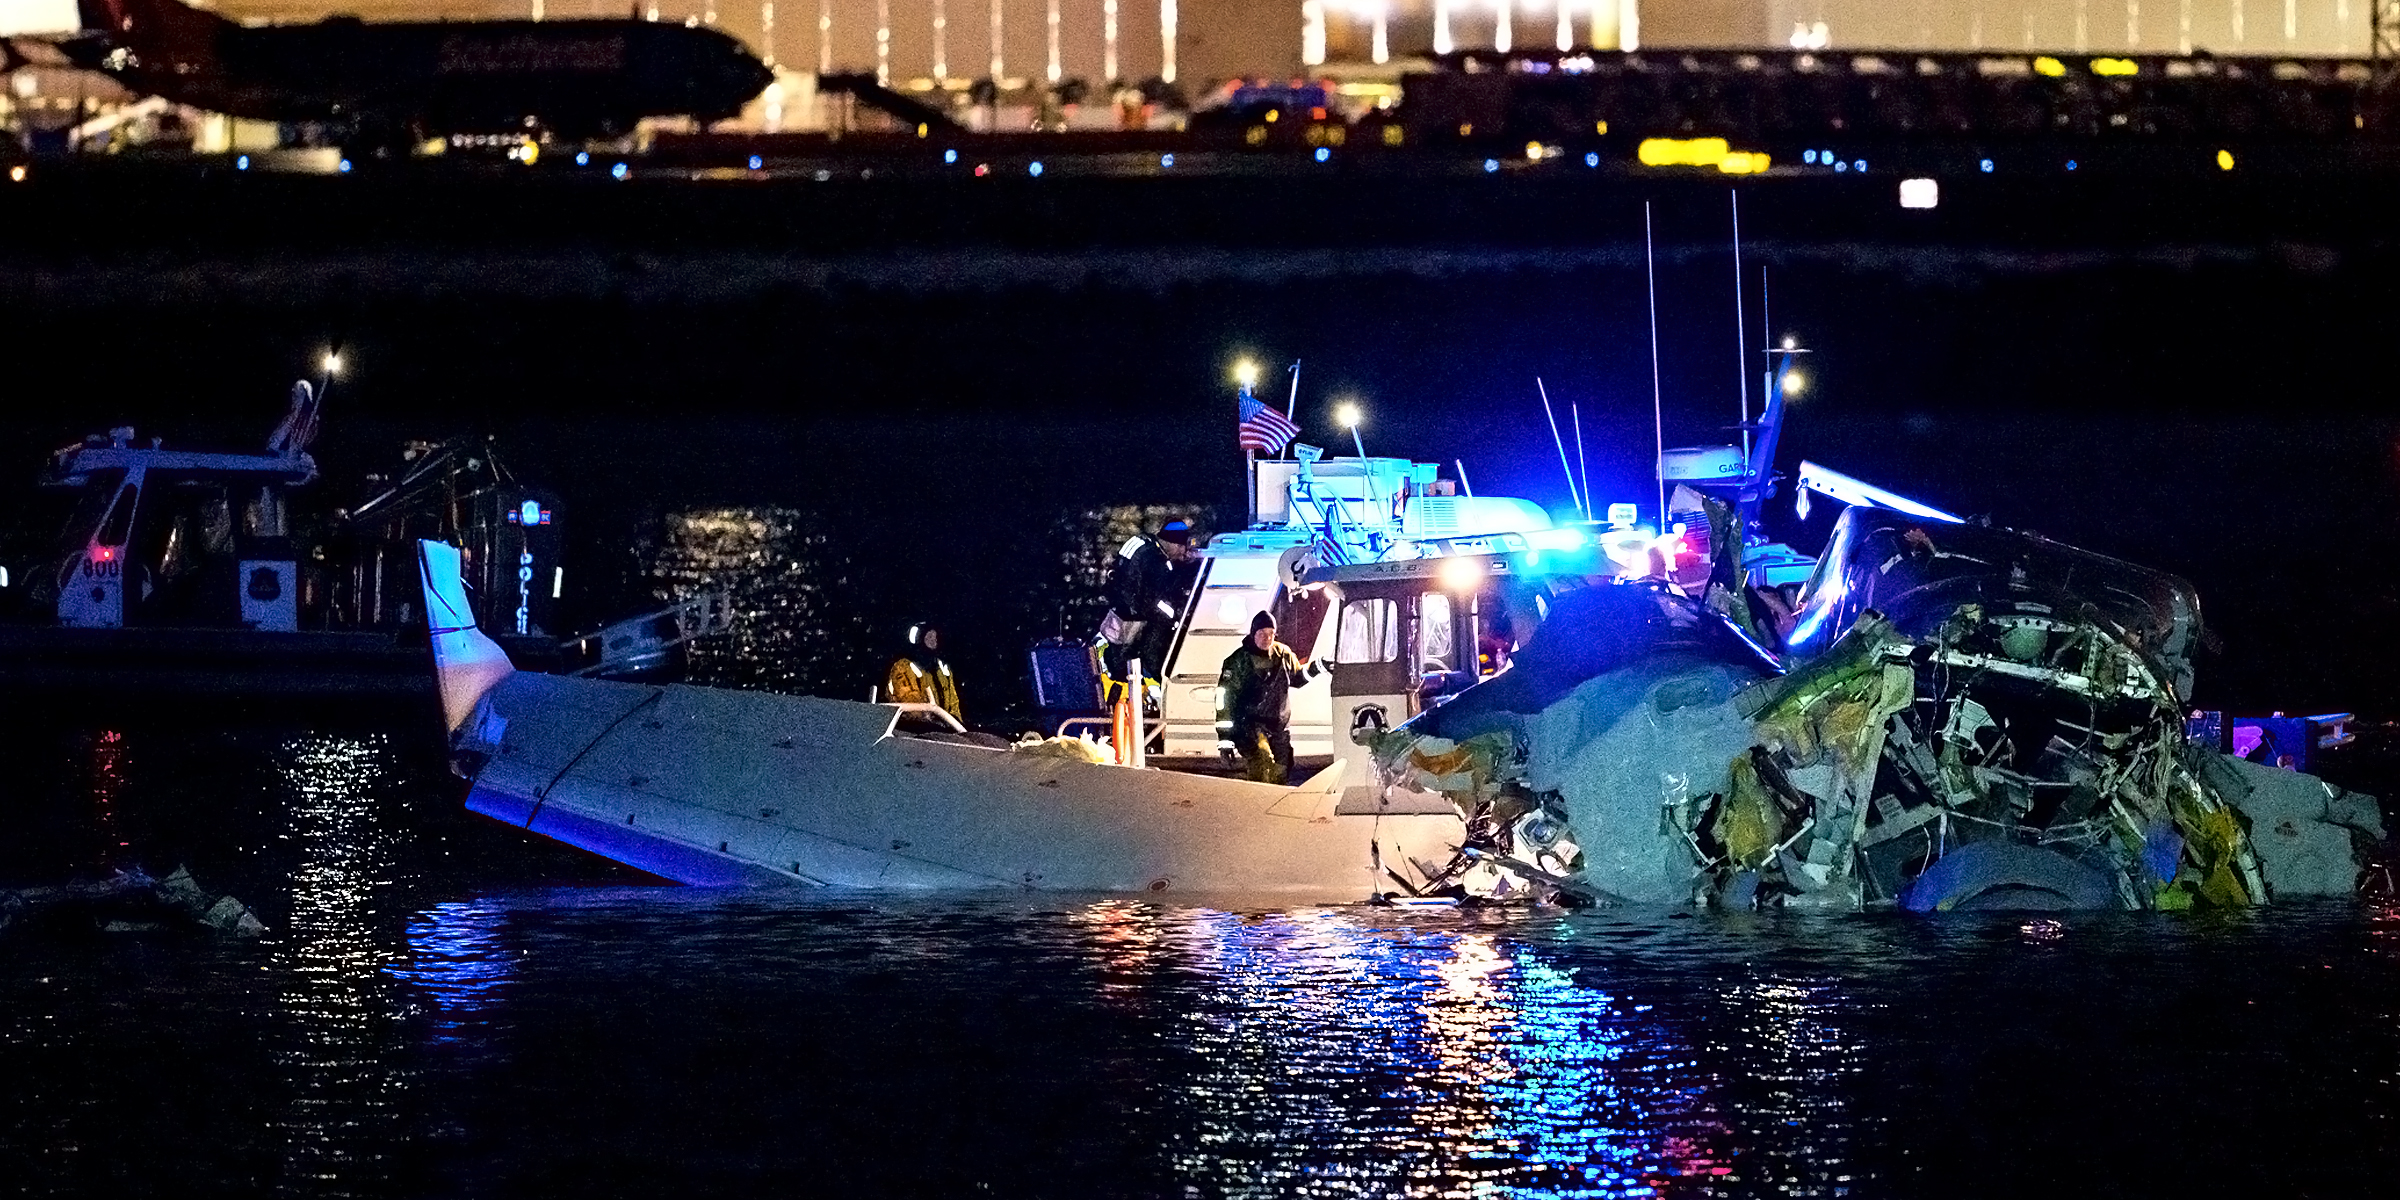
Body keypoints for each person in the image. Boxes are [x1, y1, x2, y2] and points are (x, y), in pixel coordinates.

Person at [1216, 610, 1322, 784]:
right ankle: (1258, 805)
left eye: (1271, 633)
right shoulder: (1237, 661)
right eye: (1262, 633)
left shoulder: (1284, 654)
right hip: (1249, 727)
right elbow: (1223, 701)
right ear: (1253, 634)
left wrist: (1318, 666)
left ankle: (1277, 806)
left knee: (1283, 769)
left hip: (1278, 727)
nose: (1267, 638)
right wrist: (1225, 740)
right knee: (1262, 761)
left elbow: (1297, 678)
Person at [1101, 519, 1199, 687]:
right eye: (1182, 547)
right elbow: (1157, 601)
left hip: (1119, 612)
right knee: (1144, 657)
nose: (1183, 552)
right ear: (1173, 543)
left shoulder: (1140, 542)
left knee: (1116, 657)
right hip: (1134, 619)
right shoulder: (1159, 563)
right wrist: (1175, 618)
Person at [884, 623, 962, 722]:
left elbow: (953, 700)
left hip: (945, 728)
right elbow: (908, 699)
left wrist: (955, 720)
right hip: (914, 728)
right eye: (929, 636)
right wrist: (926, 718)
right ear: (920, 639)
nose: (933, 640)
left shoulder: (942, 668)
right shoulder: (903, 667)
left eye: (935, 637)